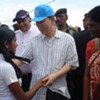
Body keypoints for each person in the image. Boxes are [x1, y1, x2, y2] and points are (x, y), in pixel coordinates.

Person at [13, 4, 79, 100]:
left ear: (53, 19)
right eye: (37, 22)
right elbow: (22, 60)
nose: (39, 25)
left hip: (57, 90)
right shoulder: (34, 41)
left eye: (42, 21)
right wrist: (7, 64)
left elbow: (71, 63)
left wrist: (55, 75)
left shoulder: (68, 39)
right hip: (37, 91)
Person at [0, 27, 45, 100]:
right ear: (6, 44)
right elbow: (23, 98)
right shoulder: (6, 67)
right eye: (14, 41)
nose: (17, 45)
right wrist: (39, 84)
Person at [13, 9, 40, 92]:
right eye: (18, 21)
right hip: (18, 77)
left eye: (23, 20)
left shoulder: (39, 33)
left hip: (35, 76)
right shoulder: (15, 35)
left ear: (30, 19)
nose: (21, 23)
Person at [71, 13, 93, 100]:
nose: (85, 23)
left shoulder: (77, 36)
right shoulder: (77, 36)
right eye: (83, 21)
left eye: (85, 20)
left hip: (79, 78)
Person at [83, 6, 100, 100]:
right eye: (88, 25)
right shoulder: (90, 45)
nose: (89, 29)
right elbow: (87, 75)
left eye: (93, 25)